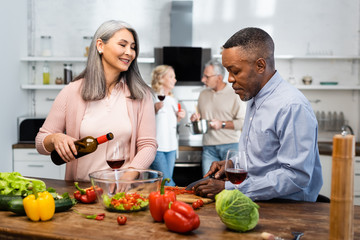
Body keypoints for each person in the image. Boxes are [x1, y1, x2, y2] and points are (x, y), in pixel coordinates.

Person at [193, 27, 323, 202]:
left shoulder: (291, 106)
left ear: (260, 65)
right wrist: (233, 164)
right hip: (263, 203)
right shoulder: (255, 98)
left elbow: (295, 176)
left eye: (235, 71)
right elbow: (262, 156)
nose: (229, 79)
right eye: (227, 72)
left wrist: (228, 187)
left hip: (289, 210)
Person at [35, 20, 157, 181]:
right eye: (123, 45)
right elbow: (41, 142)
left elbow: (148, 145)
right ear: (100, 45)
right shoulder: (72, 91)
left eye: (133, 47)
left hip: (124, 193)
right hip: (82, 191)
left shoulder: (141, 94)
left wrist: (128, 178)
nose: (129, 52)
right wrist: (56, 138)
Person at [190, 59, 246, 175]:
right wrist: (195, 119)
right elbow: (200, 118)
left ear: (219, 77)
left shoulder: (234, 94)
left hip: (231, 147)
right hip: (208, 147)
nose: (203, 80)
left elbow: (242, 122)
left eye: (207, 77)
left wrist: (222, 124)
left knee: (230, 184)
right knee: (207, 182)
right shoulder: (203, 94)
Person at [150, 65, 186, 186]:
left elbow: (171, 124)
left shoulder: (172, 99)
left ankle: (158, 204)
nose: (174, 80)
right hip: (157, 147)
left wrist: (179, 118)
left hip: (171, 146)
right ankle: (176, 203)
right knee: (168, 183)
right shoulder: (151, 96)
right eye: (171, 76)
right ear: (160, 78)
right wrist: (153, 109)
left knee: (157, 183)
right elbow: (142, 120)